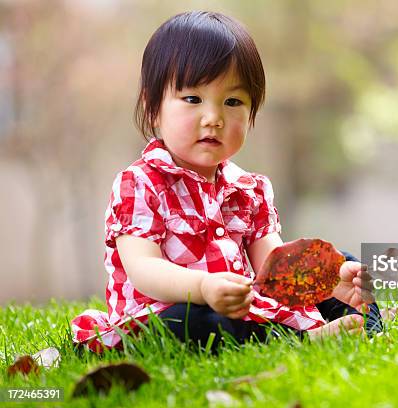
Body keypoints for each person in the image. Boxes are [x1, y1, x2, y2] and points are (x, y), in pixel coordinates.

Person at [71, 11, 381, 353]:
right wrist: (203, 287)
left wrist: (323, 283)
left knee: (339, 264)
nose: (214, 118)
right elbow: (143, 269)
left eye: (232, 102)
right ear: (153, 107)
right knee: (197, 321)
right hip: (168, 314)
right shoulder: (140, 183)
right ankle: (303, 341)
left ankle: (367, 329)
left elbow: (272, 266)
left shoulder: (249, 189)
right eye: (192, 99)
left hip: (240, 309)